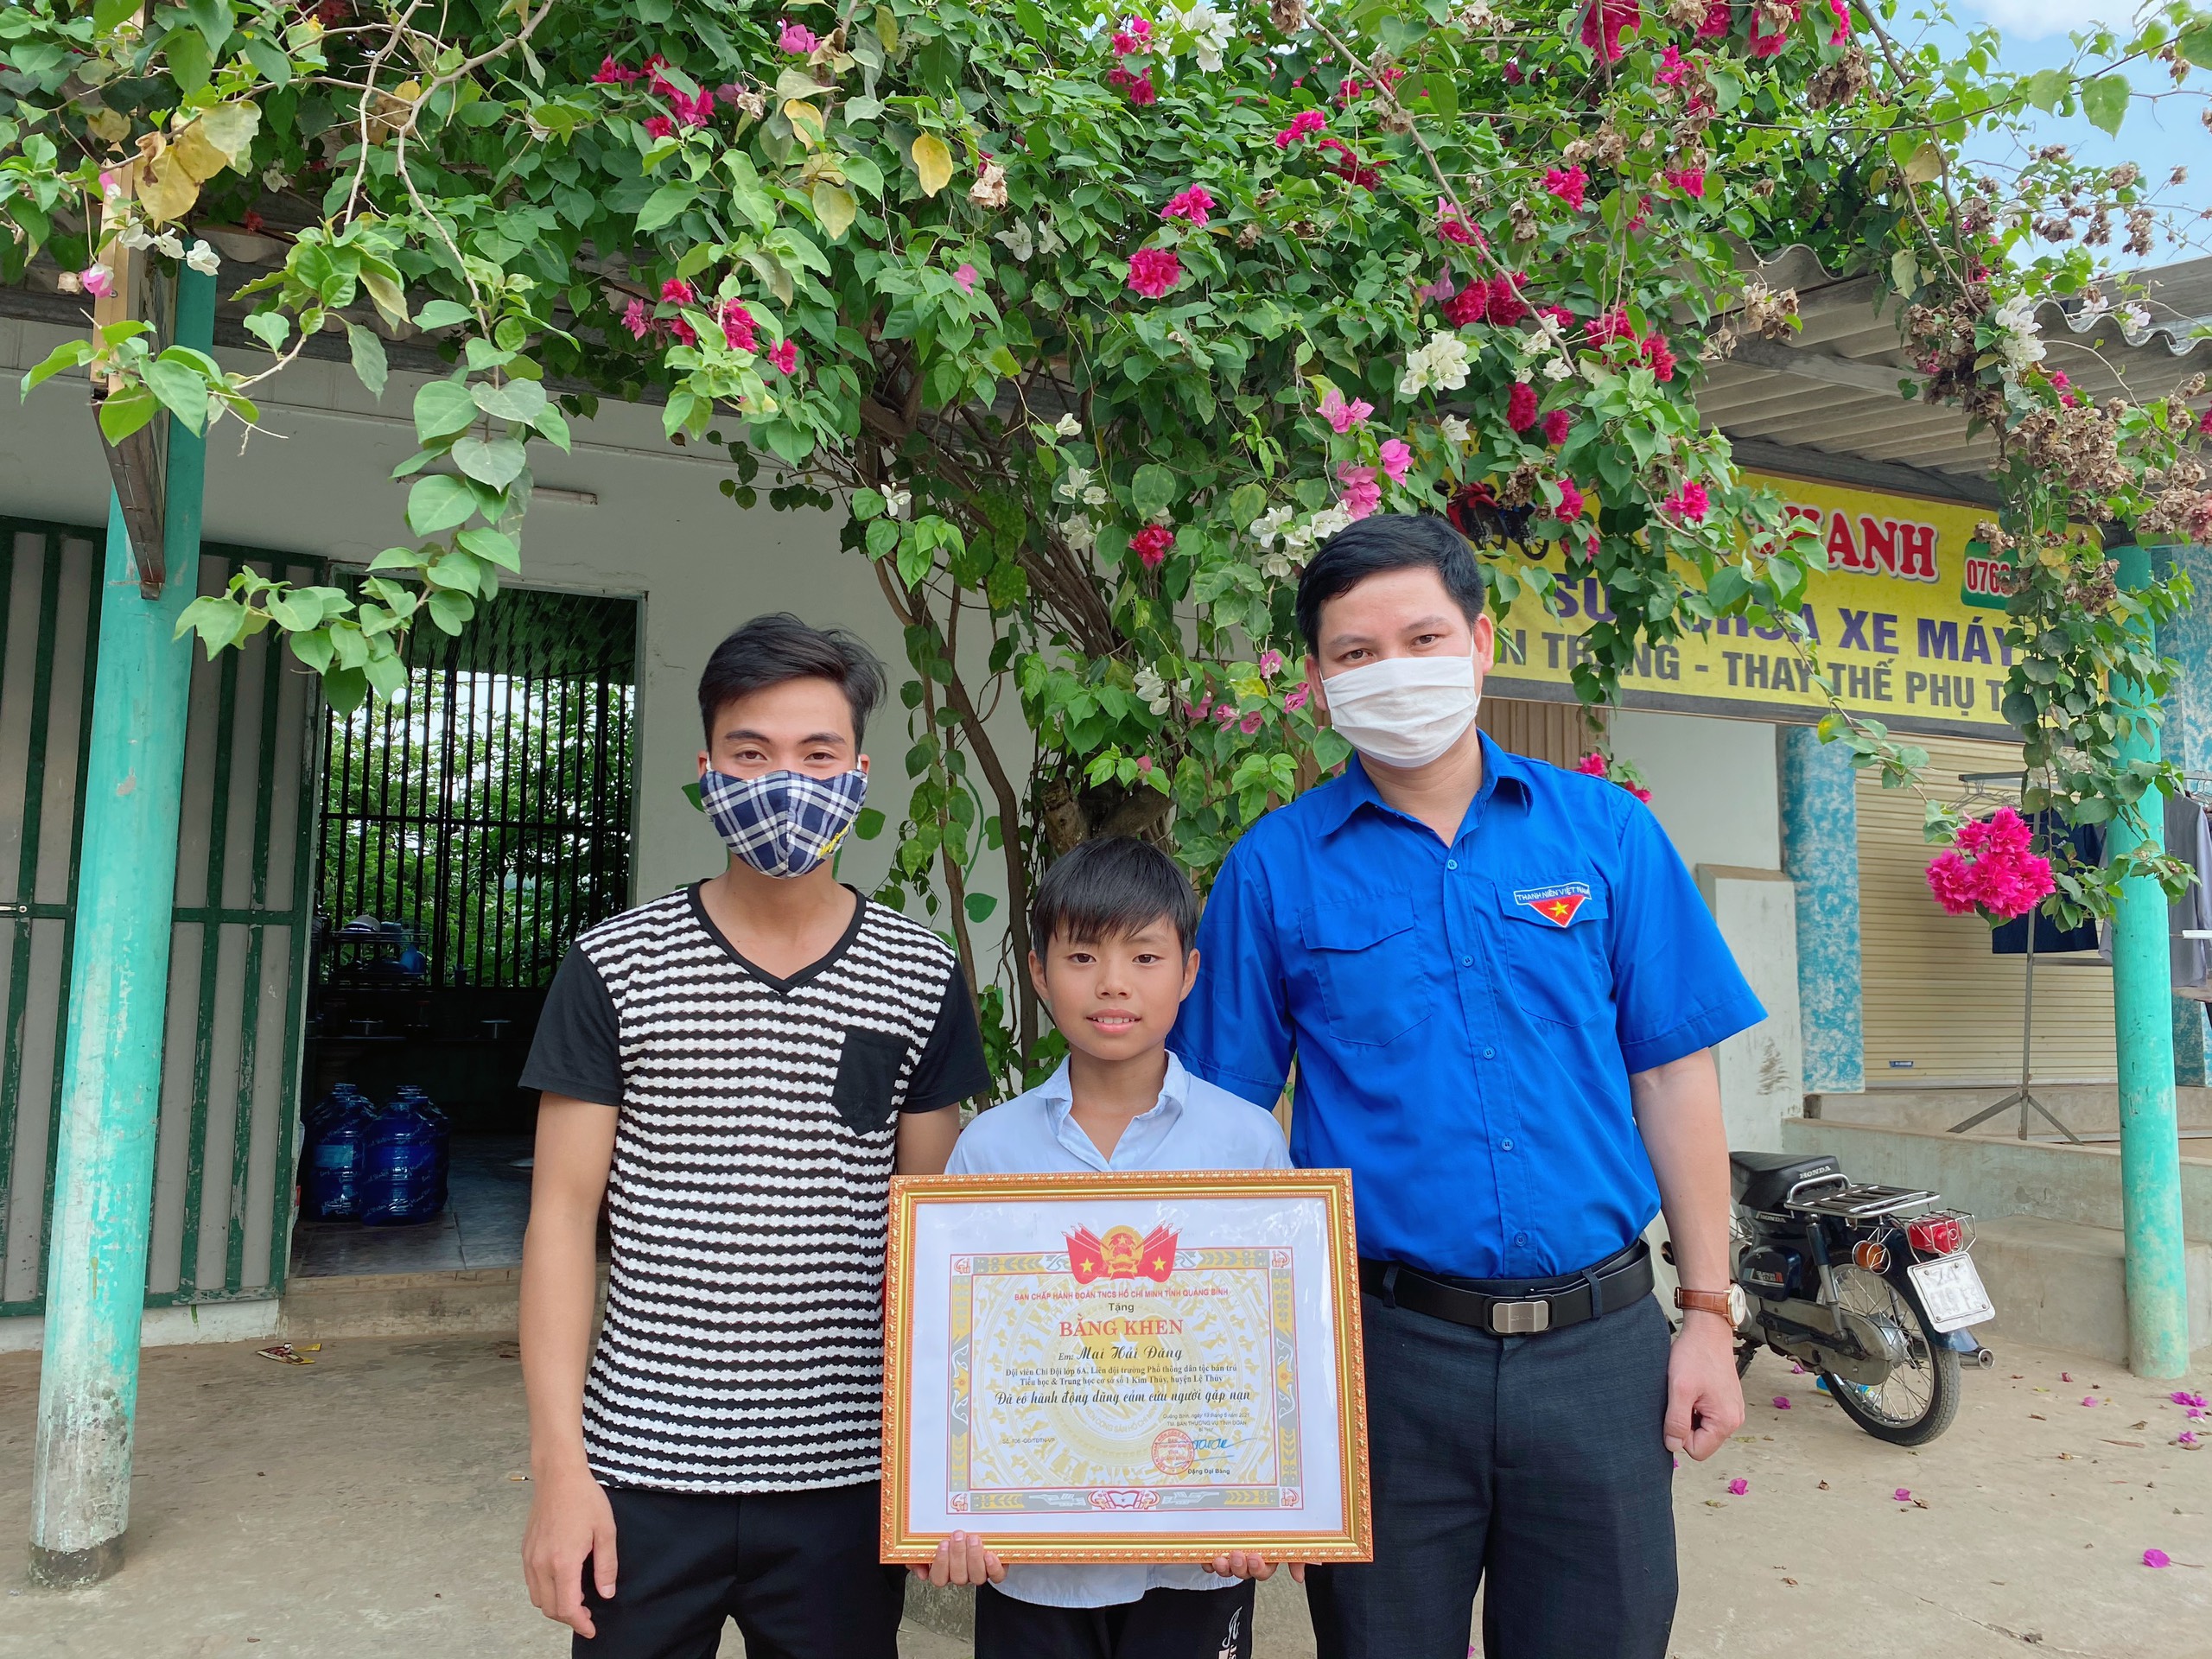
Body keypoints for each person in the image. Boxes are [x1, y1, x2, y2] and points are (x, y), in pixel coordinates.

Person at [1171, 514, 1765, 1659]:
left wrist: (1705, 1313)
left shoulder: (1606, 835)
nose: (1393, 672)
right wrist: (1238, 1397)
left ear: (1482, 643)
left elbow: (1672, 1076)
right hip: (1384, 1362)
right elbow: (1225, 1132)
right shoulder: (1272, 869)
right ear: (1317, 683)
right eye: (1356, 653)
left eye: (1423, 638)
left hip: (1601, 1351)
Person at [515, 614, 993, 1659]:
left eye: (817, 754)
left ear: (858, 775)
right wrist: (560, 1469)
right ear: (708, 773)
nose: (785, 782)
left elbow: (934, 1241)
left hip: (844, 1483)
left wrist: (946, 1468)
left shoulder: (920, 975)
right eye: (751, 752)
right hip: (641, 1472)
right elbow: (560, 1221)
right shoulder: (614, 966)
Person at [920, 836, 1293, 1659]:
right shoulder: (991, 1150)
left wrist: (1268, 1507)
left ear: (1189, 973)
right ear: (1039, 971)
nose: (1113, 982)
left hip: (1198, 1558)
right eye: (1082, 955)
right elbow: (956, 1353)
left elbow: (1272, 1349)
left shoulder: (1247, 1144)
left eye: (1145, 956)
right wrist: (943, 1508)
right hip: (1032, 1566)